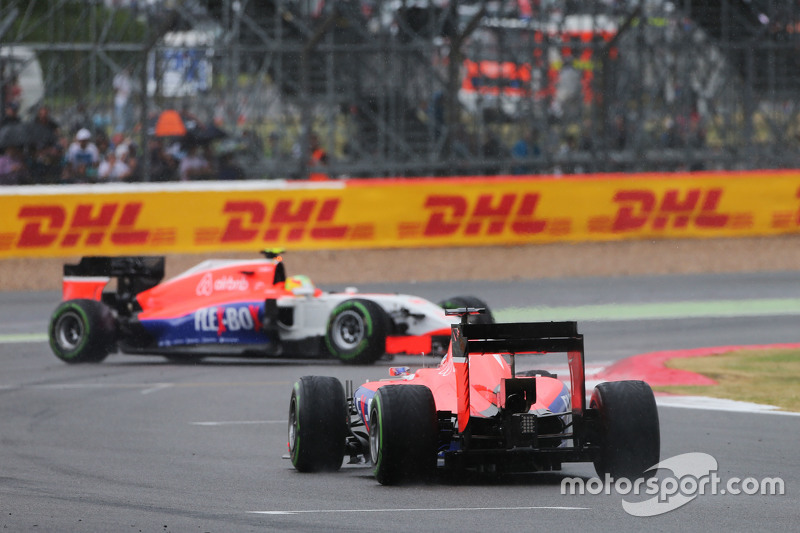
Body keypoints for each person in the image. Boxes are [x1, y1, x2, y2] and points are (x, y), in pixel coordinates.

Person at [112, 66, 133, 133]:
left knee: (127, 115)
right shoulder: (119, 78)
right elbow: (115, 88)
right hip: (120, 100)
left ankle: (127, 128)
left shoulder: (129, 79)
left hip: (127, 100)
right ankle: (120, 129)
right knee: (120, 115)